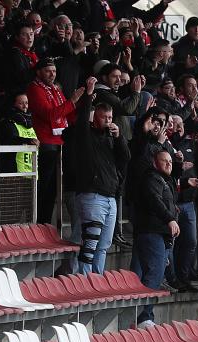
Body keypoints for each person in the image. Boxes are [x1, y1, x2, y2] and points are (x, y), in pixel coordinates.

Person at [69, 78, 130, 275]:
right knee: (90, 245)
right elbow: (81, 120)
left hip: (111, 197)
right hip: (92, 195)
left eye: (111, 118)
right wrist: (88, 95)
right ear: (95, 118)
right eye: (104, 118)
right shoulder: (85, 135)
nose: (108, 121)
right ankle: (84, 281)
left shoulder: (111, 139)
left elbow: (125, 158)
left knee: (103, 246)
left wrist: (119, 137)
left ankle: (97, 280)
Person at [26, 57, 85, 224]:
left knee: (53, 190)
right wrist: (72, 101)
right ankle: (37, 224)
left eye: (54, 71)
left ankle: (45, 225)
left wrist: (82, 104)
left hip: (60, 141)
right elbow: (50, 115)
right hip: (46, 143)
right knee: (44, 188)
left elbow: (67, 113)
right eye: (48, 71)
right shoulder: (34, 88)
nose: (52, 74)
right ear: (38, 72)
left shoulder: (55, 89)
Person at [132, 150, 179, 327]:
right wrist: (170, 218)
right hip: (151, 232)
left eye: (170, 161)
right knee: (154, 273)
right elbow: (154, 200)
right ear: (154, 163)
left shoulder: (164, 181)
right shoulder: (152, 178)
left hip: (158, 234)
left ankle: (143, 314)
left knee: (152, 273)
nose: (168, 164)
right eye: (164, 161)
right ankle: (144, 316)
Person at [0, 93, 38, 174]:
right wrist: (28, 141)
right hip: (13, 172)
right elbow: (10, 140)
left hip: (32, 171)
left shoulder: (30, 122)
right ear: (13, 104)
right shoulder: (7, 122)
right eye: (21, 103)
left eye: (26, 103)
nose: (25, 106)